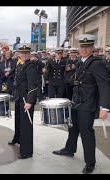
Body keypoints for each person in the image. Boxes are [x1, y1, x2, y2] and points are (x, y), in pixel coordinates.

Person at [52, 34, 110, 174]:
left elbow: (104, 86)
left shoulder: (97, 64)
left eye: (88, 46)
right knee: (73, 128)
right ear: (79, 47)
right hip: (77, 102)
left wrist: (105, 107)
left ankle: (90, 162)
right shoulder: (79, 62)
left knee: (86, 133)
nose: (84, 49)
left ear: (92, 47)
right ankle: (70, 149)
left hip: (88, 104)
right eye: (82, 46)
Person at [8, 43, 38, 160]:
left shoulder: (30, 66)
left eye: (26, 53)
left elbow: (33, 85)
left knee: (26, 125)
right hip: (19, 97)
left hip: (26, 99)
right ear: (18, 53)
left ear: (29, 54)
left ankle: (27, 151)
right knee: (18, 121)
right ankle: (17, 138)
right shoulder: (20, 64)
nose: (24, 54)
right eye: (22, 52)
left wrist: (30, 101)